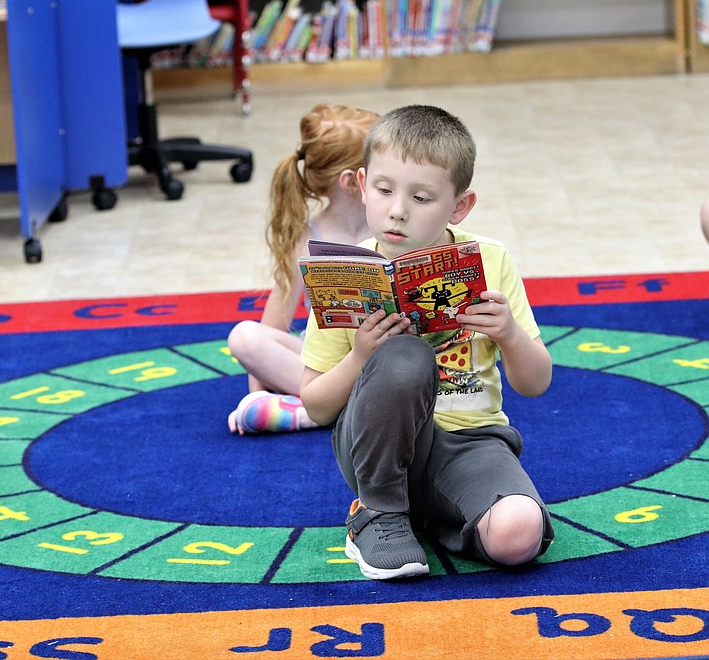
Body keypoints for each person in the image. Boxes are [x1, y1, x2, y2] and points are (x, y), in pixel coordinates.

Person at [299, 105, 555, 580]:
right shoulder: (343, 274)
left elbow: (536, 383)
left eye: (421, 197)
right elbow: (315, 406)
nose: (398, 210)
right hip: (374, 450)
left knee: (519, 535)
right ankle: (378, 511)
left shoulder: (491, 259)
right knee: (405, 355)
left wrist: (509, 334)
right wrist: (360, 356)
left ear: (460, 206)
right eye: (384, 190)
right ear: (362, 184)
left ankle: (429, 518)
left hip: (471, 443)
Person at [227, 104, 380, 434]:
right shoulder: (306, 240)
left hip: (386, 362)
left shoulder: (393, 227)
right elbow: (271, 329)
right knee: (244, 337)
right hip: (327, 369)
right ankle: (326, 408)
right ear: (353, 181)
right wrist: (257, 399)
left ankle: (315, 412)